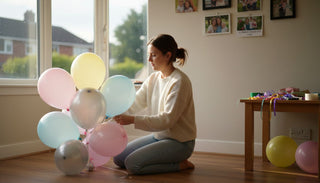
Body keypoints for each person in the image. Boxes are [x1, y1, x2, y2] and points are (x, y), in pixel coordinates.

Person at [113, 34, 197, 175]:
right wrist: (116, 111)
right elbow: (136, 102)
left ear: (168, 55)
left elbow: (166, 120)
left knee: (133, 165)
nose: (149, 59)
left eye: (153, 55)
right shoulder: (153, 78)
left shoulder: (179, 82)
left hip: (180, 143)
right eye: (149, 55)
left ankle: (181, 164)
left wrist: (132, 120)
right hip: (159, 137)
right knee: (118, 158)